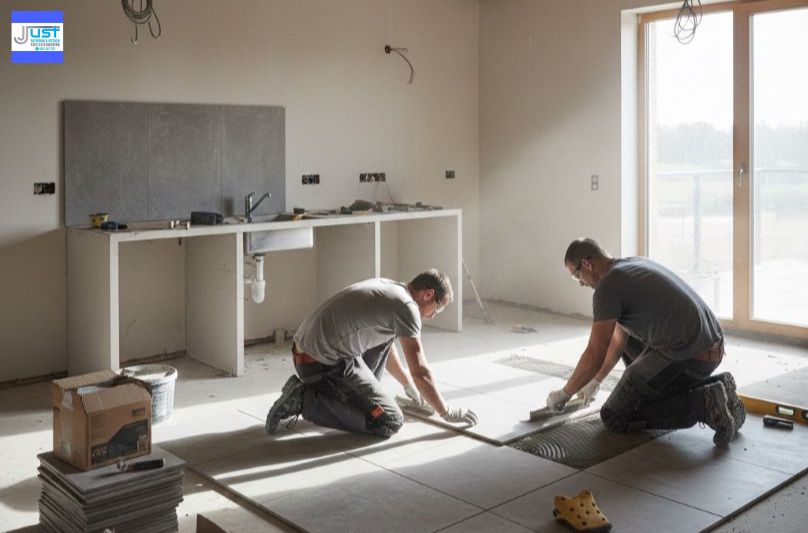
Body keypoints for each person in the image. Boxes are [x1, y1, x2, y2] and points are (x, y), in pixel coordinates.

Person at [545, 238, 745, 447]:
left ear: (587, 264)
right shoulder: (632, 265)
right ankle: (719, 385)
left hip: (690, 356)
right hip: (711, 348)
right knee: (625, 344)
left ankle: (704, 403)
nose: (581, 283)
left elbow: (594, 354)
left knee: (615, 415)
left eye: (577, 275)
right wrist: (595, 381)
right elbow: (619, 340)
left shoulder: (608, 288)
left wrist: (564, 394)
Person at [266, 269, 479, 437]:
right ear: (428, 294)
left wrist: (407, 385)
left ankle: (344, 399)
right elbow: (420, 370)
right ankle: (304, 399)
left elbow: (384, 344)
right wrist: (446, 411)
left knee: (373, 392)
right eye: (438, 308)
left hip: (309, 351)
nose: (433, 315)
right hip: (319, 363)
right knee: (389, 420)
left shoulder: (391, 288)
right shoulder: (407, 308)